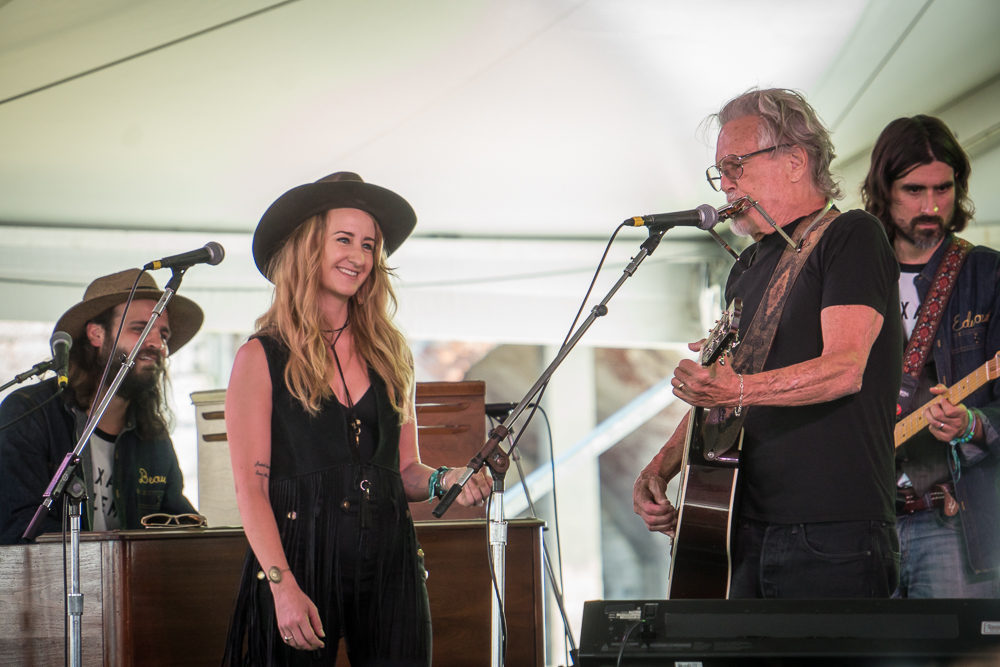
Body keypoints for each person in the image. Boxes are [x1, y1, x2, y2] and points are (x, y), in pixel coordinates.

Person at [632, 88, 902, 599]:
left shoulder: (852, 237)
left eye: (735, 166)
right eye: (720, 172)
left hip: (831, 528)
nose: (724, 184)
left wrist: (733, 391)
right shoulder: (746, 267)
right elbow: (724, 390)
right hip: (742, 525)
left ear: (796, 161)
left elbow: (844, 368)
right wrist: (661, 466)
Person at [222, 171, 492, 666]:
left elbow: (405, 470)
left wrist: (444, 480)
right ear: (306, 249)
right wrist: (283, 589)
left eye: (369, 245)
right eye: (343, 240)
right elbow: (251, 490)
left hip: (390, 559)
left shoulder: (391, 354)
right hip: (298, 558)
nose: (359, 257)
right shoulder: (260, 357)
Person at [862, 115, 1000, 598]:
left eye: (943, 189)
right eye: (913, 190)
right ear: (885, 188)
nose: (931, 205)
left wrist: (972, 423)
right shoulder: (852, 273)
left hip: (951, 524)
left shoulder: (987, 274)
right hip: (859, 526)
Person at [0, 269, 202, 544]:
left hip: (131, 585)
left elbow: (175, 522)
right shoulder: (30, 413)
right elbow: (17, 527)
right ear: (96, 334)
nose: (157, 343)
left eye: (163, 334)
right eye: (140, 328)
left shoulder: (152, 436)